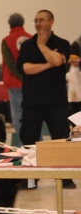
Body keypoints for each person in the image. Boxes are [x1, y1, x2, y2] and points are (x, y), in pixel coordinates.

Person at [17, 9, 75, 189]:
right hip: (32, 102)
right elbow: (26, 69)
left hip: (55, 102)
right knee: (28, 139)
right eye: (35, 21)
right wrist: (49, 63)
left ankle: (64, 177)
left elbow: (59, 61)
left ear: (51, 22)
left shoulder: (63, 43)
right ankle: (30, 179)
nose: (38, 24)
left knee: (60, 138)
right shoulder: (27, 46)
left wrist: (42, 46)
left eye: (41, 20)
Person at [1, 13, 31, 145]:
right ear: (22, 23)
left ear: (10, 24)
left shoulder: (7, 40)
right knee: (33, 116)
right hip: (31, 83)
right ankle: (38, 145)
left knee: (18, 117)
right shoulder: (31, 38)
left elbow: (10, 64)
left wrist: (21, 76)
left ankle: (23, 145)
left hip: (15, 84)